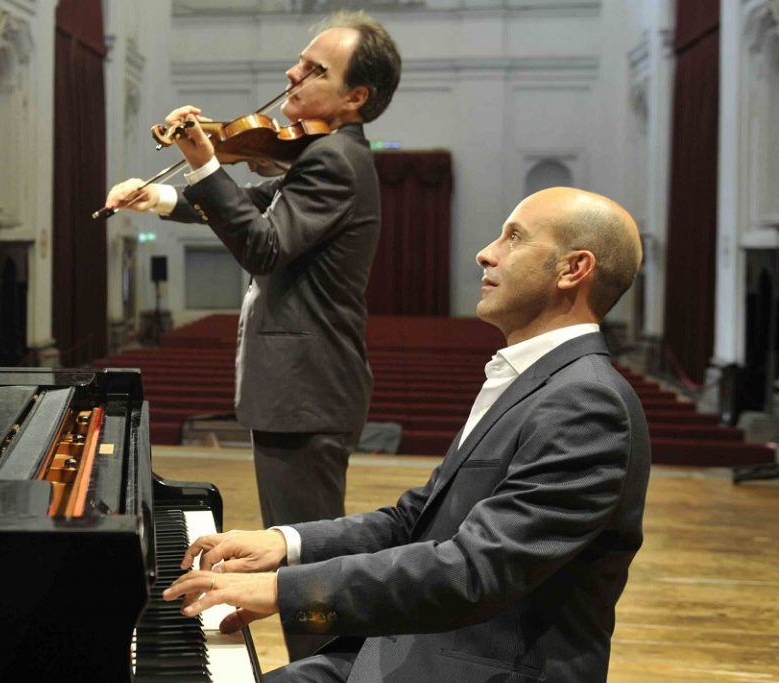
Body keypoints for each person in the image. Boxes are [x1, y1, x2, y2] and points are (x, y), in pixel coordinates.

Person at [160, 186, 652, 682]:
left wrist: (284, 593)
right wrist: (285, 544)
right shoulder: (536, 382)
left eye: (514, 238)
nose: (486, 252)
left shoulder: (586, 402)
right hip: (419, 646)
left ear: (573, 269)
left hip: (479, 666)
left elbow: (476, 571)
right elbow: (415, 519)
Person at [106, 6, 399, 593]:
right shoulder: (321, 155)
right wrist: (162, 198)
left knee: (304, 571)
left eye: (315, 69)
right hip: (304, 394)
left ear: (354, 97)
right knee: (296, 559)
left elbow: (263, 245)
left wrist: (203, 161)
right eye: (300, 61)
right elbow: (253, 203)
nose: (292, 73)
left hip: (308, 393)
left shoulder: (336, 161)